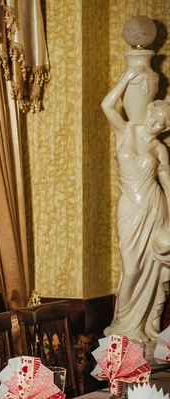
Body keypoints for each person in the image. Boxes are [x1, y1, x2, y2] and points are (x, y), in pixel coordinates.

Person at [102, 65, 170, 344]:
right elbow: (106, 105)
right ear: (151, 113)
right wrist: (127, 78)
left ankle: (142, 327)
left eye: (164, 123)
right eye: (157, 118)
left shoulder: (159, 149)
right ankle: (121, 325)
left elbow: (168, 186)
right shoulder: (125, 132)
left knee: (150, 269)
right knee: (130, 269)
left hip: (154, 208)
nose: (159, 124)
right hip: (129, 208)